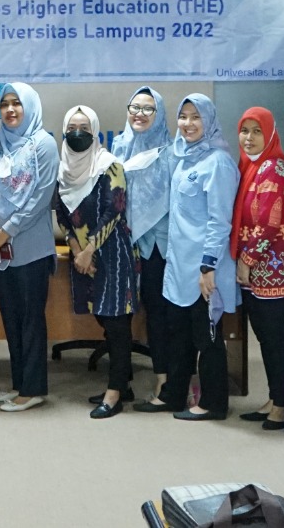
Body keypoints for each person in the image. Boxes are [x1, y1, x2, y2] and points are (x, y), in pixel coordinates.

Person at [0, 82, 59, 413]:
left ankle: (33, 389)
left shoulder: (43, 144)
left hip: (31, 248)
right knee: (11, 318)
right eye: (5, 104)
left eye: (17, 103)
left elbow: (41, 197)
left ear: (29, 107)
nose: (10, 109)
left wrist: (5, 232)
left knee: (30, 320)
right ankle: (19, 382)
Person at [52, 105, 137, 419]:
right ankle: (122, 383)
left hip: (112, 254)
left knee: (116, 324)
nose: (78, 133)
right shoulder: (62, 170)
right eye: (72, 128)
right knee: (103, 318)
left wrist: (89, 251)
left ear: (96, 131)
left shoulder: (109, 165)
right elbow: (62, 216)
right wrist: (76, 249)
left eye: (85, 128)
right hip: (82, 256)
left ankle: (115, 394)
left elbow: (114, 211)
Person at [163, 94, 238, 421]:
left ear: (209, 120)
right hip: (179, 266)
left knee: (207, 339)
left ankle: (213, 403)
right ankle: (174, 395)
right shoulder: (182, 157)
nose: (188, 123)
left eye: (196, 117)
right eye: (183, 116)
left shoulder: (218, 162)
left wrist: (208, 266)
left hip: (204, 268)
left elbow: (220, 221)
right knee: (179, 337)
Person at [231, 107, 284, 431]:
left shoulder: (274, 167)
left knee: (275, 339)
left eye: (257, 131)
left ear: (269, 134)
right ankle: (275, 397)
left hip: (271, 270)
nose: (249, 138)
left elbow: (270, 223)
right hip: (255, 271)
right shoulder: (249, 166)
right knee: (265, 338)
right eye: (245, 131)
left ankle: (282, 405)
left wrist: (246, 261)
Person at [109, 86, 173, 413]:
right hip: (124, 242)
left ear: (159, 114)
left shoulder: (171, 151)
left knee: (158, 315)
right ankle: (122, 382)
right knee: (120, 315)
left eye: (148, 109)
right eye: (135, 107)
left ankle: (165, 382)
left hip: (158, 245)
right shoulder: (119, 146)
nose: (140, 114)